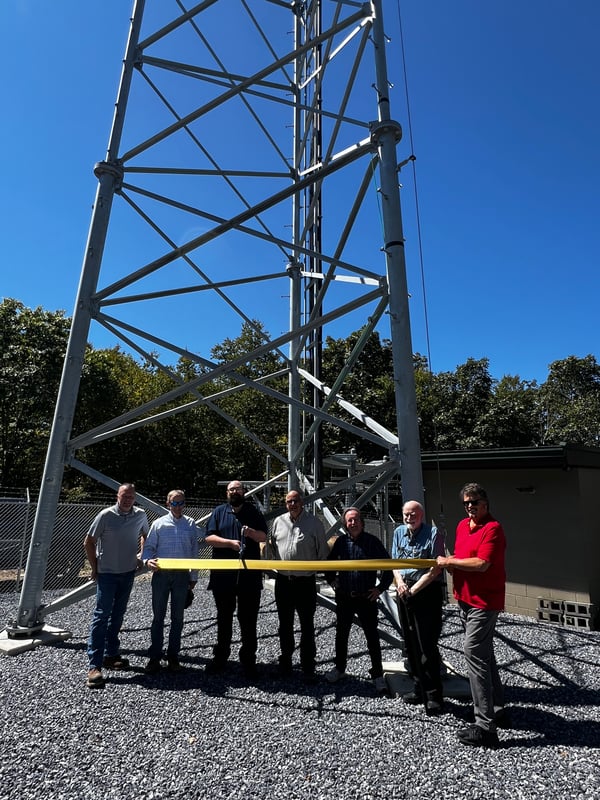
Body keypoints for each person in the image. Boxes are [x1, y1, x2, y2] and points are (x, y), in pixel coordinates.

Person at [437, 482, 507, 748]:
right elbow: (461, 558)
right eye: (466, 503)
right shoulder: (461, 527)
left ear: (485, 503)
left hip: (484, 602)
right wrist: (452, 564)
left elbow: (481, 563)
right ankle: (496, 708)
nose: (470, 506)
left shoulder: (493, 529)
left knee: (473, 653)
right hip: (464, 599)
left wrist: (449, 562)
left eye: (474, 502)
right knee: (485, 654)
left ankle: (485, 727)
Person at [84, 483, 149, 689]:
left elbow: (145, 535)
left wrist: (141, 555)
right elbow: (89, 541)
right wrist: (95, 567)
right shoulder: (105, 515)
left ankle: (111, 655)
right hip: (107, 573)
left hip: (128, 572)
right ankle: (94, 665)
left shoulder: (140, 514)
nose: (128, 499)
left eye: (131, 496)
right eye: (124, 496)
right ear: (117, 496)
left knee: (118, 615)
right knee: (101, 615)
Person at [326, 507, 393, 694]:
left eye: (355, 520)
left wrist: (380, 589)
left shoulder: (372, 542)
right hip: (346, 597)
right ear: (345, 524)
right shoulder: (340, 543)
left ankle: (378, 675)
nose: (353, 523)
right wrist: (333, 582)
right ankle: (340, 669)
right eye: (349, 521)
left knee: (372, 637)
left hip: (366, 598)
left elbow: (389, 567)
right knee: (341, 635)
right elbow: (328, 565)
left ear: (362, 522)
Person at [205, 480, 267, 677]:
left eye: (238, 489)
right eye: (231, 489)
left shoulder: (253, 512)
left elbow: (263, 537)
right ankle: (221, 657)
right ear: (227, 492)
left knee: (248, 619)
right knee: (224, 618)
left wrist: (251, 533)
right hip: (223, 576)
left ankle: (248, 661)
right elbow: (209, 538)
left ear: (243, 492)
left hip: (249, 576)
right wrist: (229, 544)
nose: (235, 492)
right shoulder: (219, 512)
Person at [269, 489, 330, 680]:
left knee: (307, 624)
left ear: (301, 503)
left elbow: (323, 553)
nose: (292, 504)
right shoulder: (278, 522)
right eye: (289, 501)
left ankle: (308, 664)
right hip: (284, 581)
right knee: (285, 624)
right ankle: (286, 660)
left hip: (305, 582)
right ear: (285, 504)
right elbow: (271, 547)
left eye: (295, 501)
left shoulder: (314, 524)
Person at [392, 500, 446, 714]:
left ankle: (434, 695)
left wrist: (414, 590)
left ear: (421, 515)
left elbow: (436, 569)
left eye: (412, 514)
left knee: (426, 645)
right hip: (404, 592)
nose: (408, 518)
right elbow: (394, 561)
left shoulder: (434, 534)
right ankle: (418, 686)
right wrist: (401, 584)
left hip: (425, 593)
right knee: (410, 642)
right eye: (405, 514)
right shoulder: (398, 533)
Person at [142, 489, 200, 674]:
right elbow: (149, 547)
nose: (177, 506)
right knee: (158, 617)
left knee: (178, 618)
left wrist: (193, 577)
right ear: (168, 504)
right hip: (161, 574)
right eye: (174, 503)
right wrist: (147, 560)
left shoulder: (190, 524)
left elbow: (194, 552)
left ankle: (173, 657)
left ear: (185, 504)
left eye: (181, 503)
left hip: (182, 576)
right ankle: (155, 657)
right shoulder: (158, 524)